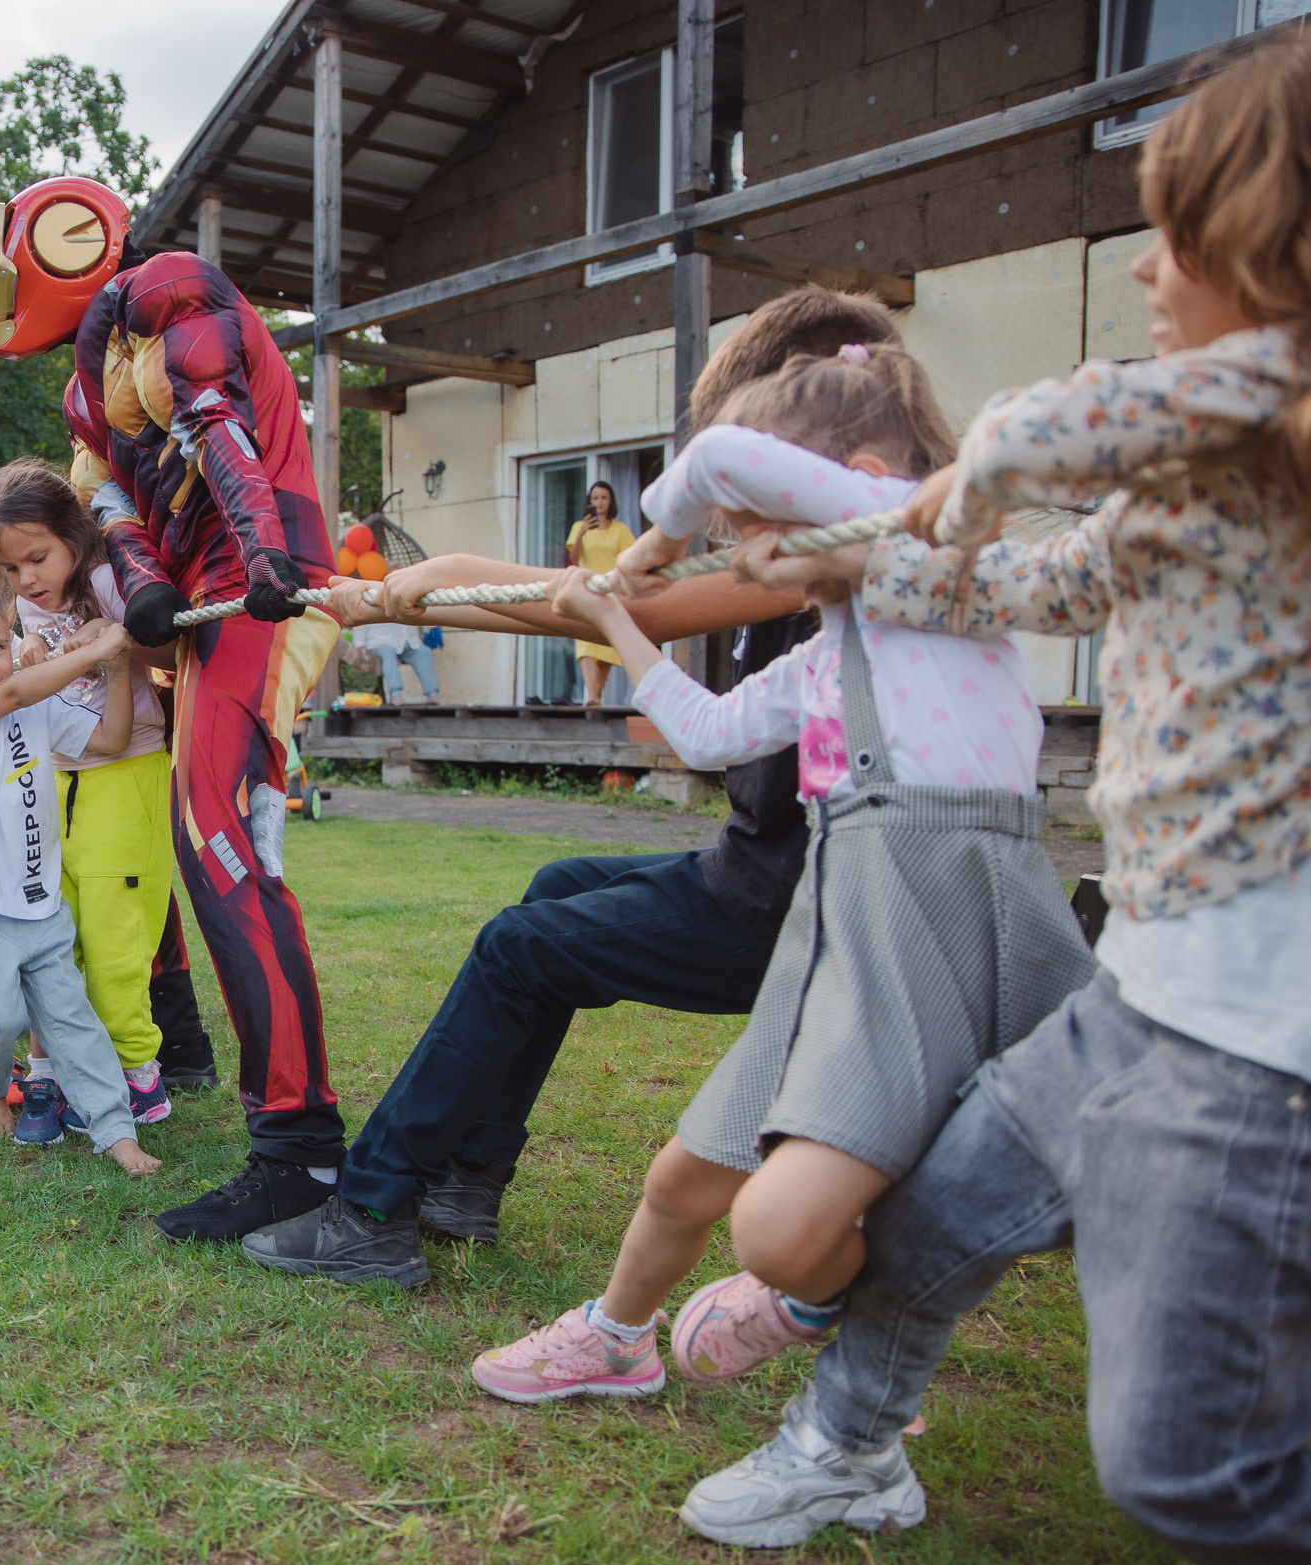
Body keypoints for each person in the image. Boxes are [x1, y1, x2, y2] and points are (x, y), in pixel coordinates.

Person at [677, 39, 1311, 1565]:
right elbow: (1029, 579)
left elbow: (1047, 440)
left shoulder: (1275, 427)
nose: (1152, 270)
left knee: (1190, 1465)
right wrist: (859, 554)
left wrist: (966, 478)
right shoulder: (1199, 478)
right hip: (1140, 1007)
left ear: (1283, 251)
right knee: (929, 1222)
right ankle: (852, 1445)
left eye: (1180, 236)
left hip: (1264, 1053)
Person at [243, 284, 909, 1289]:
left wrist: (451, 572)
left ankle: (370, 1210)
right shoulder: (815, 539)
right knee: (555, 888)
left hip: (802, 910)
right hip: (761, 871)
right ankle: (465, 1180)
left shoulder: (842, 543)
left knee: (520, 947)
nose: (731, 517)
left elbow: (632, 611)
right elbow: (599, 609)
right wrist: (406, 595)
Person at [466, 348, 1092, 1403]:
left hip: (958, 933)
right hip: (842, 938)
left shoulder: (946, 576)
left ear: (855, 481)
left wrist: (654, 547)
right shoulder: (822, 658)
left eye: (754, 526)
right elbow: (709, 733)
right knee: (685, 1174)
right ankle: (616, 1337)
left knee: (885, 1206)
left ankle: (813, 1308)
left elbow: (717, 458)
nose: (743, 557)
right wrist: (613, 622)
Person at [0, 175, 346, 1243]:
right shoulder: (86, 391)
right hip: (201, 604)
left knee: (214, 835)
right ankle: (180, 1046)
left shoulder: (168, 290)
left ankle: (300, 1152)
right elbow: (110, 502)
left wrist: (264, 544)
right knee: (182, 839)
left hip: (261, 583)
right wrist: (143, 586)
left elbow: (216, 417)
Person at [0, 572, 160, 1174]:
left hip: (39, 904)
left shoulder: (37, 699)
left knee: (75, 1022)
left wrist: (118, 666)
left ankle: (116, 1131)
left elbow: (112, 738)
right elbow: (14, 697)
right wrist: (94, 650)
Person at [0, 457, 184, 1130]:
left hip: (126, 772)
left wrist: (121, 644)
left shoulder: (107, 581)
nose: (27, 579)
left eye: (36, 558)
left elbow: (169, 653)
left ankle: (137, 1074)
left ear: (72, 532)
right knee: (59, 934)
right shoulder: (28, 606)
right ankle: (72, 1070)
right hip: (60, 777)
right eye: (11, 569)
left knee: (114, 936)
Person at [564, 481, 635, 705]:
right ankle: (593, 697)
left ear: (610, 501)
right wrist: (583, 532)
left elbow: (629, 558)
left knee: (606, 646)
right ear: (589, 502)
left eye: (603, 498)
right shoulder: (579, 527)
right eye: (595, 498)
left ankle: (594, 698)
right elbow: (574, 558)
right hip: (586, 588)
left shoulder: (620, 530)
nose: (599, 502)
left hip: (610, 590)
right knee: (585, 644)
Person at [349, 616, 438, 706]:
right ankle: (396, 694)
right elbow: (361, 618)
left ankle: (432, 695)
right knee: (388, 653)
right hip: (379, 642)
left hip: (409, 642)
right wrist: (359, 644)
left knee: (424, 652)